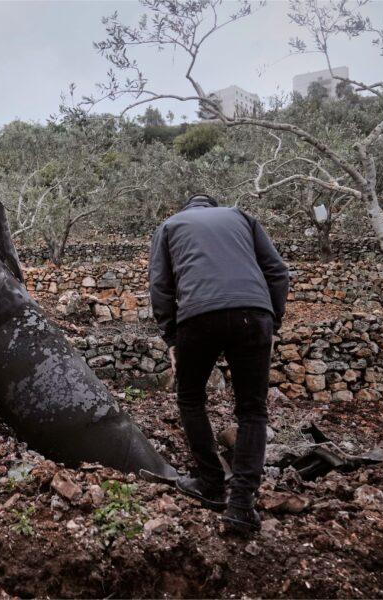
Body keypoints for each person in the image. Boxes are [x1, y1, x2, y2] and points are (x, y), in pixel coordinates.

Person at [148, 194, 289, 533]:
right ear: (213, 207)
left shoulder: (170, 225)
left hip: (198, 317)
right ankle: (241, 505)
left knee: (190, 398)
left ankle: (211, 483)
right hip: (253, 313)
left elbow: (160, 286)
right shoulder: (241, 217)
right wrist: (273, 323)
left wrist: (171, 338)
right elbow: (278, 271)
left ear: (188, 208)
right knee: (252, 410)